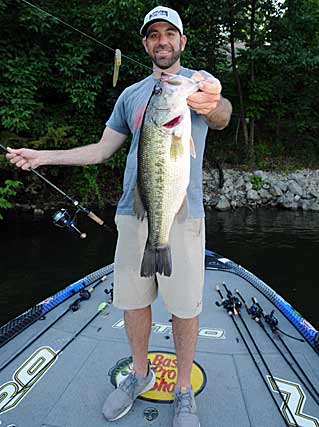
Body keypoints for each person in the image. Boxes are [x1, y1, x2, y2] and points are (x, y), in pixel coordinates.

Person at [6, 6, 232, 426]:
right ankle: (140, 374)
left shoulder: (195, 85)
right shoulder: (130, 95)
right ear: (145, 44)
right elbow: (101, 150)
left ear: (182, 42)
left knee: (184, 306)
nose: (162, 41)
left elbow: (221, 114)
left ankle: (183, 389)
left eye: (170, 34)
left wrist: (211, 101)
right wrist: (42, 157)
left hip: (182, 215)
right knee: (133, 301)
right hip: (133, 214)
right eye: (153, 35)